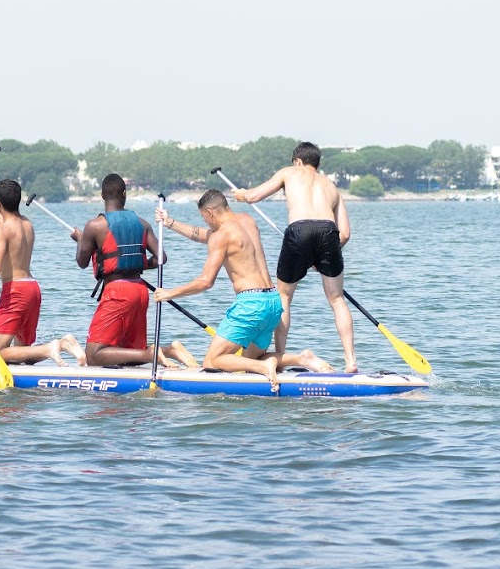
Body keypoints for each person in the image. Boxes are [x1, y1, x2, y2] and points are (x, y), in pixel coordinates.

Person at [154, 190, 333, 391]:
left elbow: (206, 281)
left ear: (211, 213)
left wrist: (169, 293)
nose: (206, 223)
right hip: (272, 302)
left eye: (204, 218)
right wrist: (170, 222)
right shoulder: (247, 221)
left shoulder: (221, 235)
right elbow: (204, 235)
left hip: (250, 305)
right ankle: (301, 358)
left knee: (213, 361)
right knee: (248, 359)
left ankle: (263, 366)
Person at [233, 142, 356, 372]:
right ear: (316, 164)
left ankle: (279, 359)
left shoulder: (289, 172)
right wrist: (321, 257)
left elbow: (254, 196)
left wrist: (241, 194)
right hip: (329, 233)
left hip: (299, 230)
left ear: (297, 161)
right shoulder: (331, 186)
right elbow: (346, 234)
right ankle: (351, 362)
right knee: (337, 300)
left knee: (284, 298)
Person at [70, 173, 187, 368]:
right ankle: (168, 351)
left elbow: (82, 262)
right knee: (127, 356)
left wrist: (80, 240)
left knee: (94, 356)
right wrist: (139, 264)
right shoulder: (142, 223)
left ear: (102, 195)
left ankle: (152, 353)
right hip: (140, 292)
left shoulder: (94, 226)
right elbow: (161, 258)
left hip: (117, 293)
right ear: (125, 194)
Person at [0, 176, 86, 366]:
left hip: (15, 292)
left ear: (0, 203)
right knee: (22, 354)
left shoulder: (2, 230)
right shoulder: (27, 225)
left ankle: (51, 347)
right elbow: (5, 221)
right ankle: (64, 344)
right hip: (32, 289)